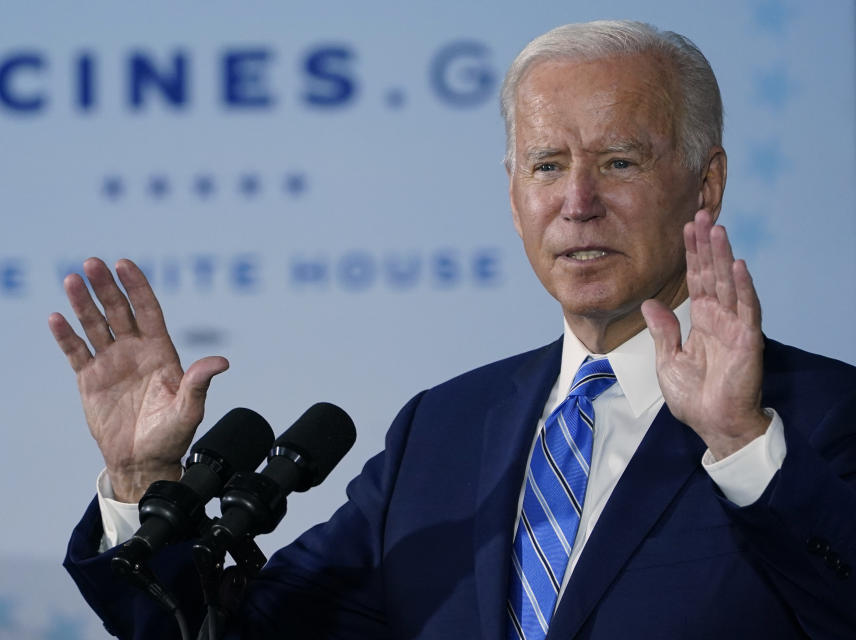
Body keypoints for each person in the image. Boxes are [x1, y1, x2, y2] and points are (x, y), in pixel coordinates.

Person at [52, 20, 856, 640]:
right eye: (546, 165)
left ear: (705, 182)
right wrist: (142, 481)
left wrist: (744, 445)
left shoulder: (817, 417)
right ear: (513, 198)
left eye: (618, 162)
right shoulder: (441, 431)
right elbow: (225, 631)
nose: (577, 201)